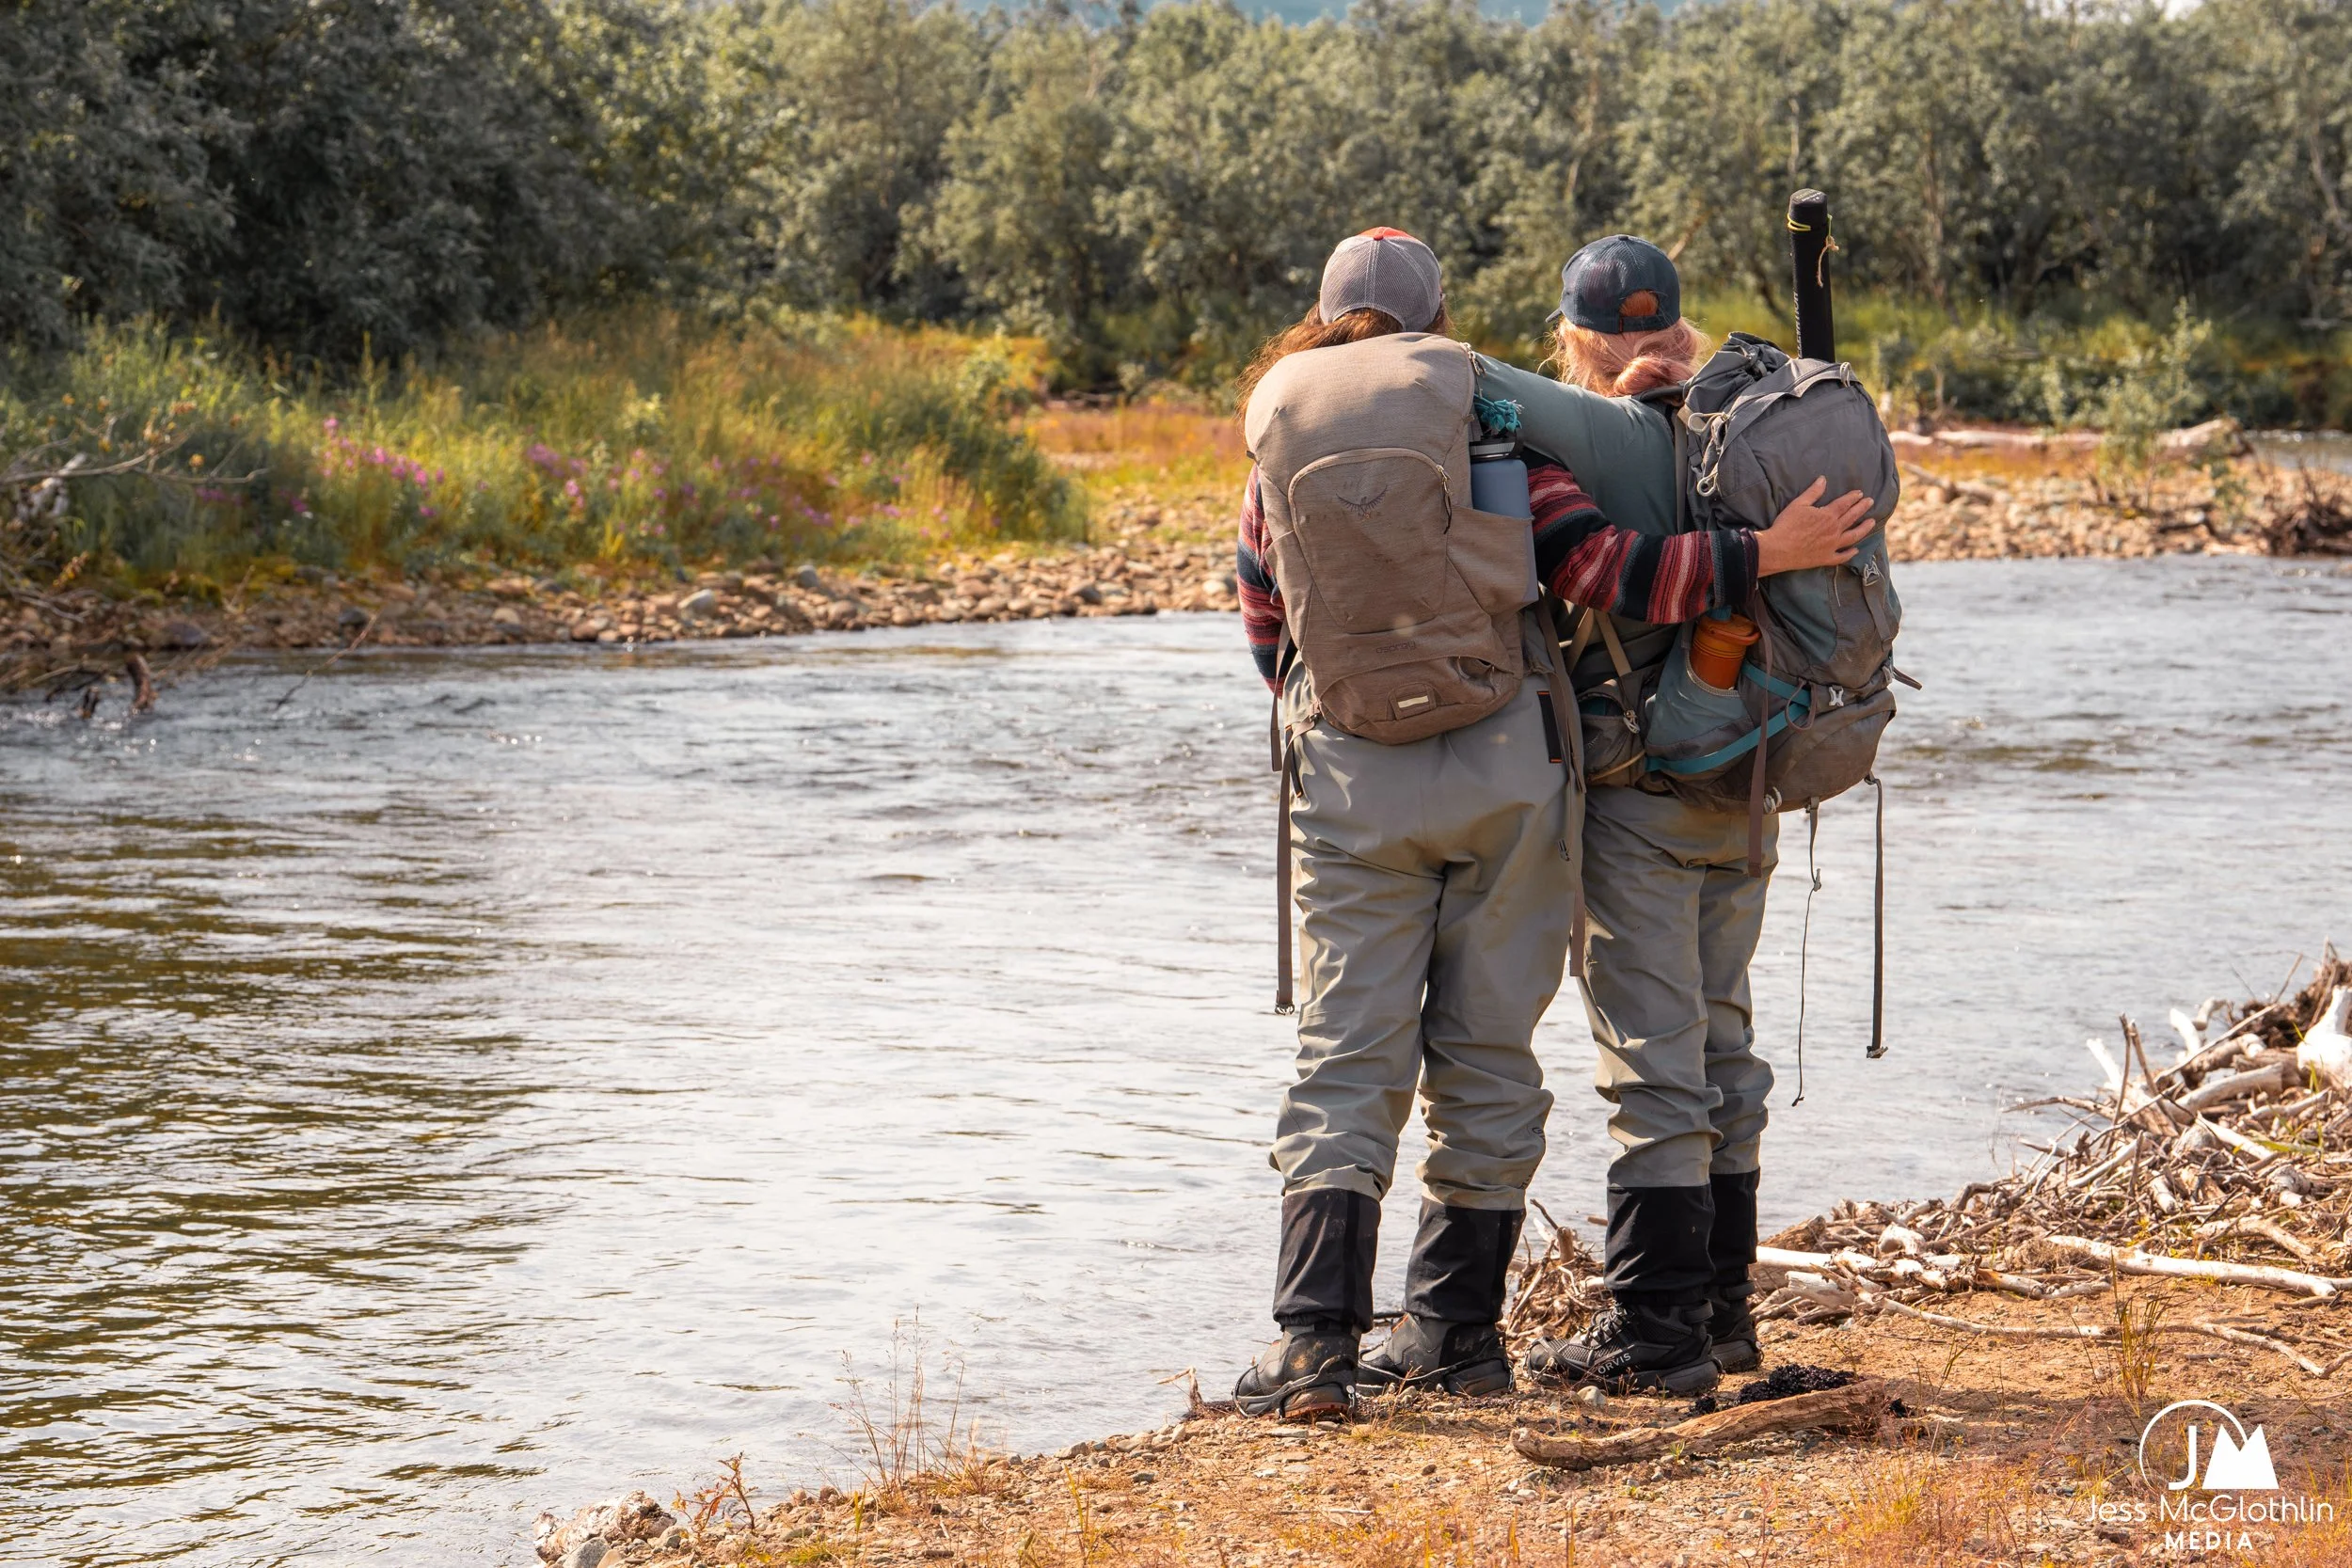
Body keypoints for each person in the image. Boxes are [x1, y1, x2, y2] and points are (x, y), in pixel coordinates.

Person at [1231, 230, 1874, 1418]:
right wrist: (1757, 555)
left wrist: (1341, 710)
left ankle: (1315, 1344)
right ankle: (1464, 1332)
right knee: (1500, 1053)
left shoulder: (1292, 438)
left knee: (1347, 1055)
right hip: (1539, 774)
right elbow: (1599, 567)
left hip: (1364, 774)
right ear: (1438, 321)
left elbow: (1266, 625)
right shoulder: (1504, 431)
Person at [1487, 235, 1878, 1395]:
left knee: (1652, 1066)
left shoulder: (1564, 443)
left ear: (1576, 337)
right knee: (1722, 1048)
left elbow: (1596, 572)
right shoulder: (1749, 419)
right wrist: (1766, 551)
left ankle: (1655, 1338)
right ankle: (1722, 1320)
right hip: (1758, 776)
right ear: (1682, 327)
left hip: (1639, 791)